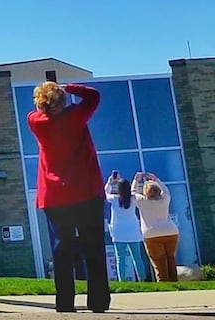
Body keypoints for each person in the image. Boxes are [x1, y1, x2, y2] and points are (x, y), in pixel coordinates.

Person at [27, 80, 110, 315]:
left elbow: (34, 112)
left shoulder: (36, 121)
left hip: (54, 196)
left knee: (62, 250)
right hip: (85, 192)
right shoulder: (76, 116)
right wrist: (68, 86)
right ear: (63, 100)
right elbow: (93, 96)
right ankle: (98, 301)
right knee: (93, 247)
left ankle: (64, 303)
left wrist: (47, 98)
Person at [131, 172, 179, 282]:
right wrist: (155, 179)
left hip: (151, 234)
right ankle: (174, 282)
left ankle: (164, 283)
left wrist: (136, 180)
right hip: (171, 232)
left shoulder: (142, 202)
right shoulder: (165, 199)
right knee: (170, 259)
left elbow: (133, 193)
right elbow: (166, 190)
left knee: (159, 262)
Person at [103, 172, 145, 281]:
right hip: (133, 231)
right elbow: (134, 191)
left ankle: (122, 280)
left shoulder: (114, 199)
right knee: (137, 258)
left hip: (119, 232)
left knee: (120, 258)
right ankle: (142, 279)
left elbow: (104, 193)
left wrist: (110, 181)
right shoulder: (133, 199)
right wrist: (135, 180)